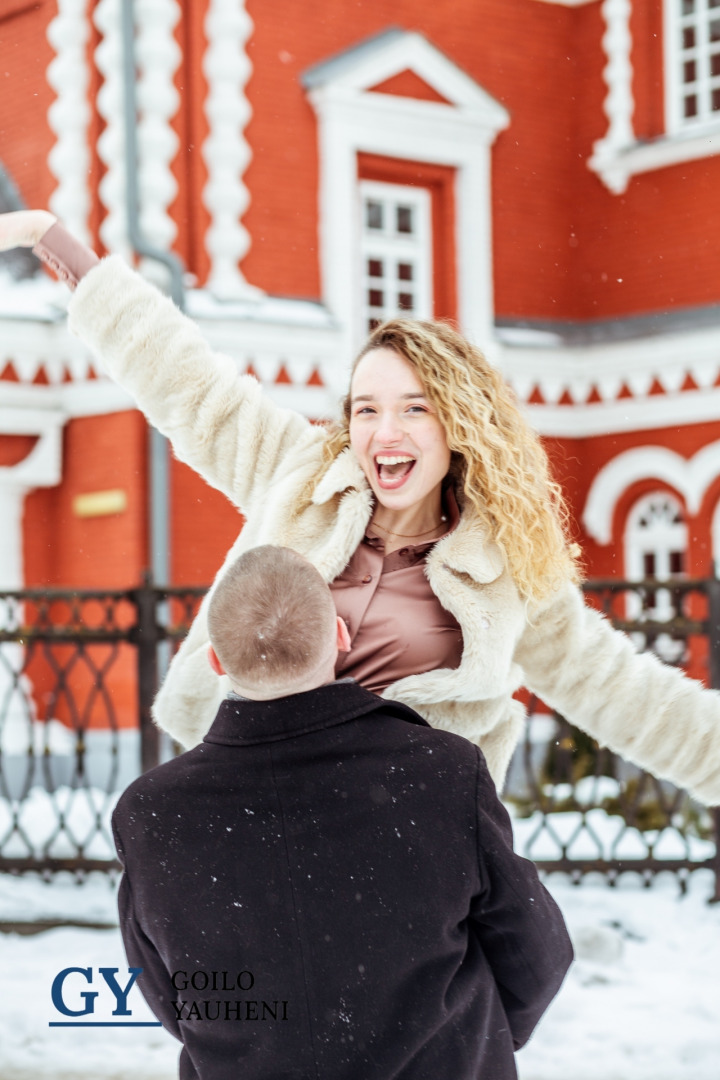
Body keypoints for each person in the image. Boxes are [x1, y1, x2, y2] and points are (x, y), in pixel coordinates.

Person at [1, 209, 720, 805]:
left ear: (459, 425)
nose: (385, 432)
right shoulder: (305, 478)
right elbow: (185, 381)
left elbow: (620, 690)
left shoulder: (509, 565)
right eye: (366, 409)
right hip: (257, 812)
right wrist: (54, 242)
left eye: (414, 408)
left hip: (410, 850)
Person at [111, 544, 573, 1080]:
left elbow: (167, 993)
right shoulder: (440, 772)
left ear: (214, 660)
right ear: (340, 636)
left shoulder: (152, 813)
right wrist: (476, 1043)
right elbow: (537, 953)